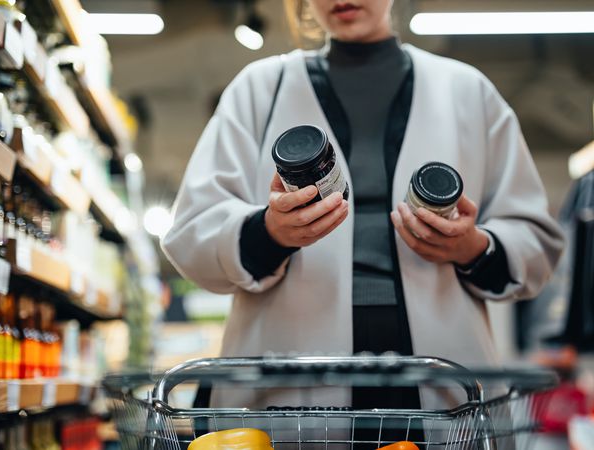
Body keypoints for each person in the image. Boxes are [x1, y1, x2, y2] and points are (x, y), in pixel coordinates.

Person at [162, 0, 564, 415]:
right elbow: (192, 230)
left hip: (444, 378)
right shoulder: (258, 89)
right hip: (288, 376)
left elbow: (536, 241)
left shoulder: (469, 92)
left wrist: (472, 247)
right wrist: (269, 233)